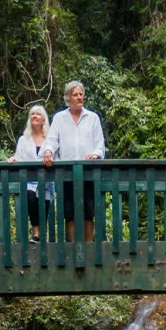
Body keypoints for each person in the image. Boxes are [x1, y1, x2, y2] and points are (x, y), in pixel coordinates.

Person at [42, 80, 106, 242]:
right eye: (75, 94)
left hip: (88, 172)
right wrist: (48, 151)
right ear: (68, 98)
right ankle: (73, 248)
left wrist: (95, 155)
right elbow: (51, 140)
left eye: (81, 94)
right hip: (67, 174)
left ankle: (88, 248)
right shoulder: (59, 118)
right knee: (69, 213)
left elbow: (100, 146)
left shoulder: (92, 118)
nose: (79, 97)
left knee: (88, 212)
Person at [7, 105, 53, 243]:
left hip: (47, 178)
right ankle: (36, 233)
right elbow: (19, 156)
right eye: (32, 114)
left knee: (44, 200)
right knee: (30, 196)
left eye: (38, 114)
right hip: (29, 180)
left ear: (43, 120)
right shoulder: (23, 139)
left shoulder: (50, 139)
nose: (34, 116)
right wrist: (14, 159)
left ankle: (41, 235)